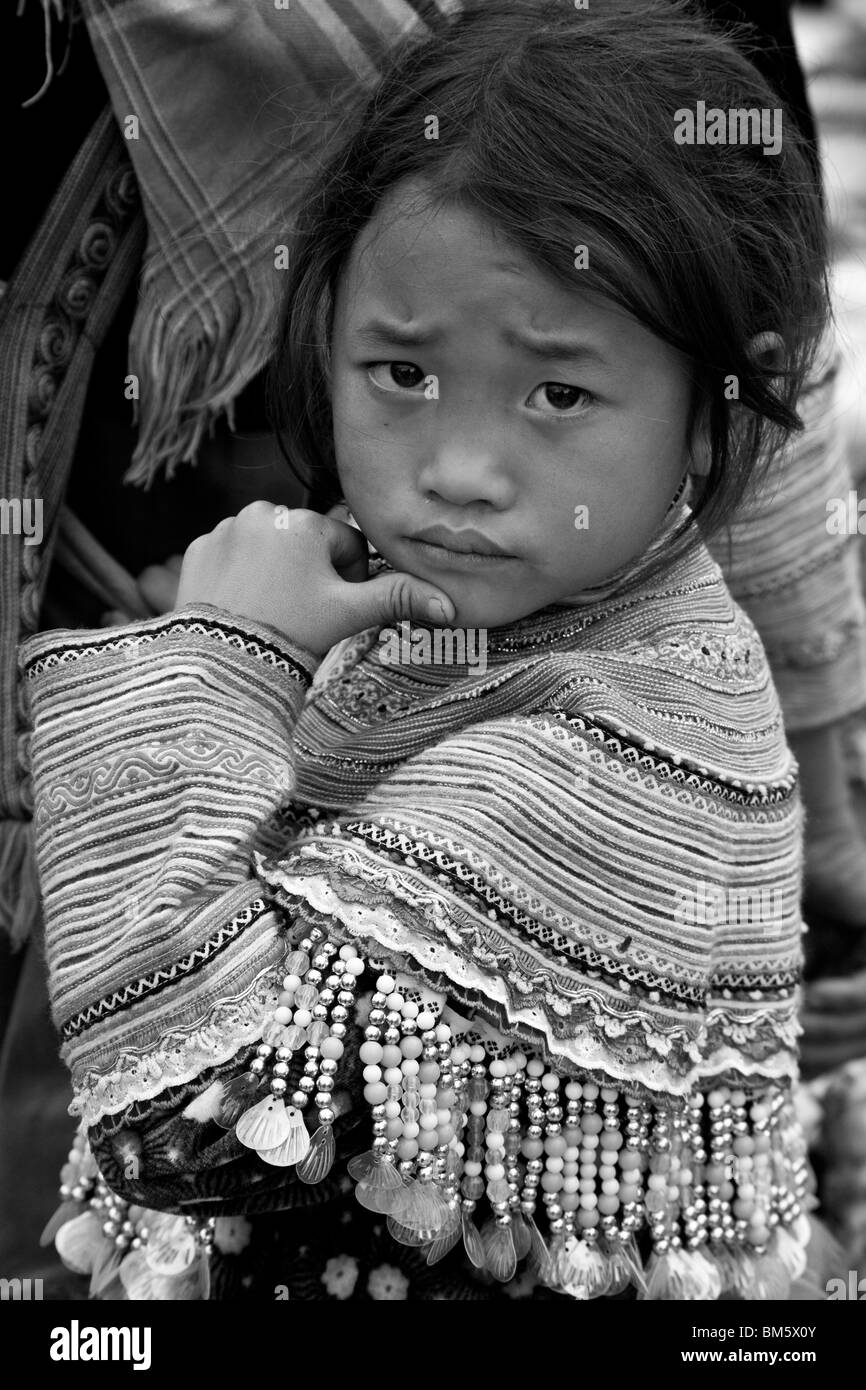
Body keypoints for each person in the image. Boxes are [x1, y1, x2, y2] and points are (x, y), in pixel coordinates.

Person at [18, 0, 838, 1300]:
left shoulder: (613, 737)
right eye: (398, 373)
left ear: (706, 415)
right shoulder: (435, 638)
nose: (456, 471)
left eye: (557, 394)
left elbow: (193, 1128)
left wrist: (218, 664)